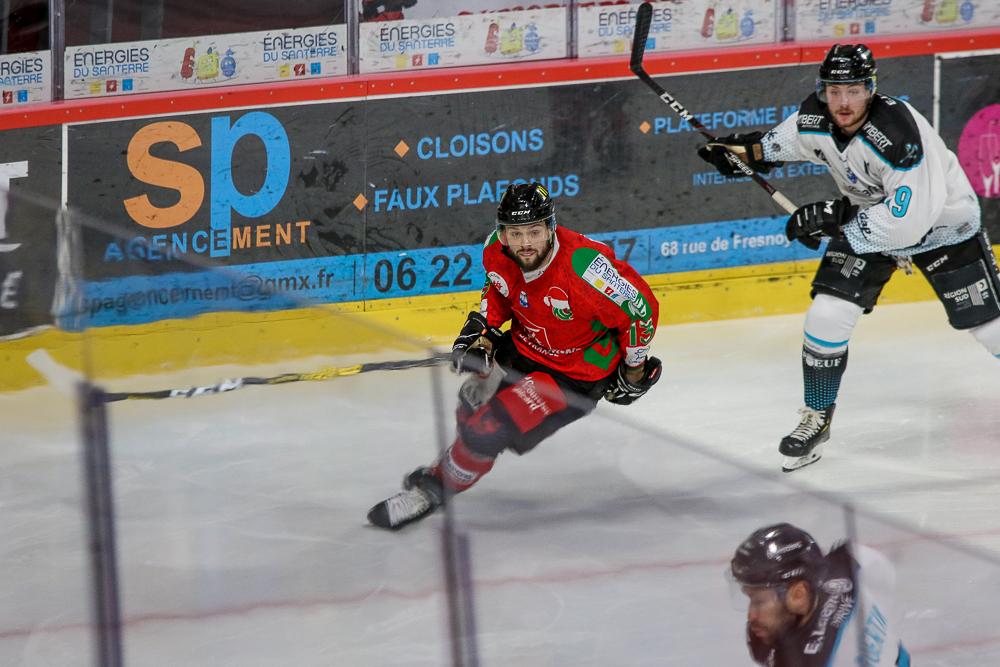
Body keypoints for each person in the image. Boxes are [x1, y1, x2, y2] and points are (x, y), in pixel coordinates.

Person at [697, 43, 999, 471]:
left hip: (941, 227)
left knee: (990, 330)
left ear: (870, 89)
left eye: (854, 91)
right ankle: (816, 417)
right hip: (865, 221)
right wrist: (744, 154)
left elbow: (908, 223)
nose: (843, 102)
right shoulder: (817, 116)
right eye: (834, 91)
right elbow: (783, 143)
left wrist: (834, 217)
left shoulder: (899, 137)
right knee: (826, 314)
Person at [367, 182, 662, 530]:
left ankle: (432, 490)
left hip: (572, 376)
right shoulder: (496, 248)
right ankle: (452, 467)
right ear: (503, 232)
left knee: (487, 430)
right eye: (515, 232)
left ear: (550, 228)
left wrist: (633, 370)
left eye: (534, 232)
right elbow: (499, 290)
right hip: (523, 348)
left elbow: (640, 311)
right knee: (471, 404)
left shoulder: (586, 269)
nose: (524, 243)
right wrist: (485, 332)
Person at [729, 522, 911, 666]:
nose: (751, 616)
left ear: (798, 595)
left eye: (759, 601)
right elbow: (882, 571)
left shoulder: (831, 657)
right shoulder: (852, 561)